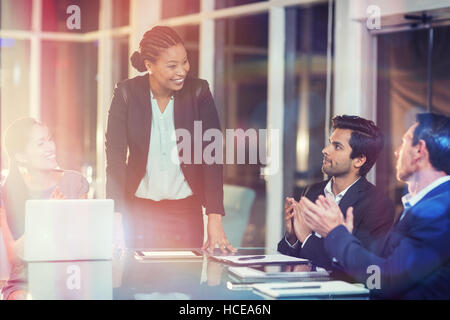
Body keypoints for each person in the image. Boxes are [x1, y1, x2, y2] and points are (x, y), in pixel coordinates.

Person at [105, 26, 235, 252]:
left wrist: (214, 218)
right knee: (137, 283)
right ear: (149, 66)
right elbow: (115, 157)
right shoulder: (126, 93)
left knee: (186, 284)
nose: (182, 71)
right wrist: (116, 214)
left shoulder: (198, 91)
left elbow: (211, 157)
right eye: (172, 66)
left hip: (185, 214)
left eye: (185, 62)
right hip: (138, 213)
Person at [301, 113, 450, 299]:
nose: (397, 152)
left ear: (419, 150)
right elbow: (381, 269)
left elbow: (385, 280)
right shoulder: (426, 205)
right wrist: (343, 237)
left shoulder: (438, 210)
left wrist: (335, 233)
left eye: (404, 143)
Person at [277, 115, 395, 269]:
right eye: (329, 143)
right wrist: (292, 236)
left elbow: (358, 267)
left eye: (337, 146)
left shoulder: (378, 205)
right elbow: (290, 258)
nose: (325, 150)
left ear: (359, 160)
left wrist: (306, 238)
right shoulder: (313, 191)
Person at [0, 117, 89, 300]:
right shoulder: (4, 195)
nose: (50, 147)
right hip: (24, 282)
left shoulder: (74, 182)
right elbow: (13, 260)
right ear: (21, 156)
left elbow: (84, 244)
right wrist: (47, 215)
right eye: (40, 143)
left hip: (69, 277)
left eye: (49, 139)